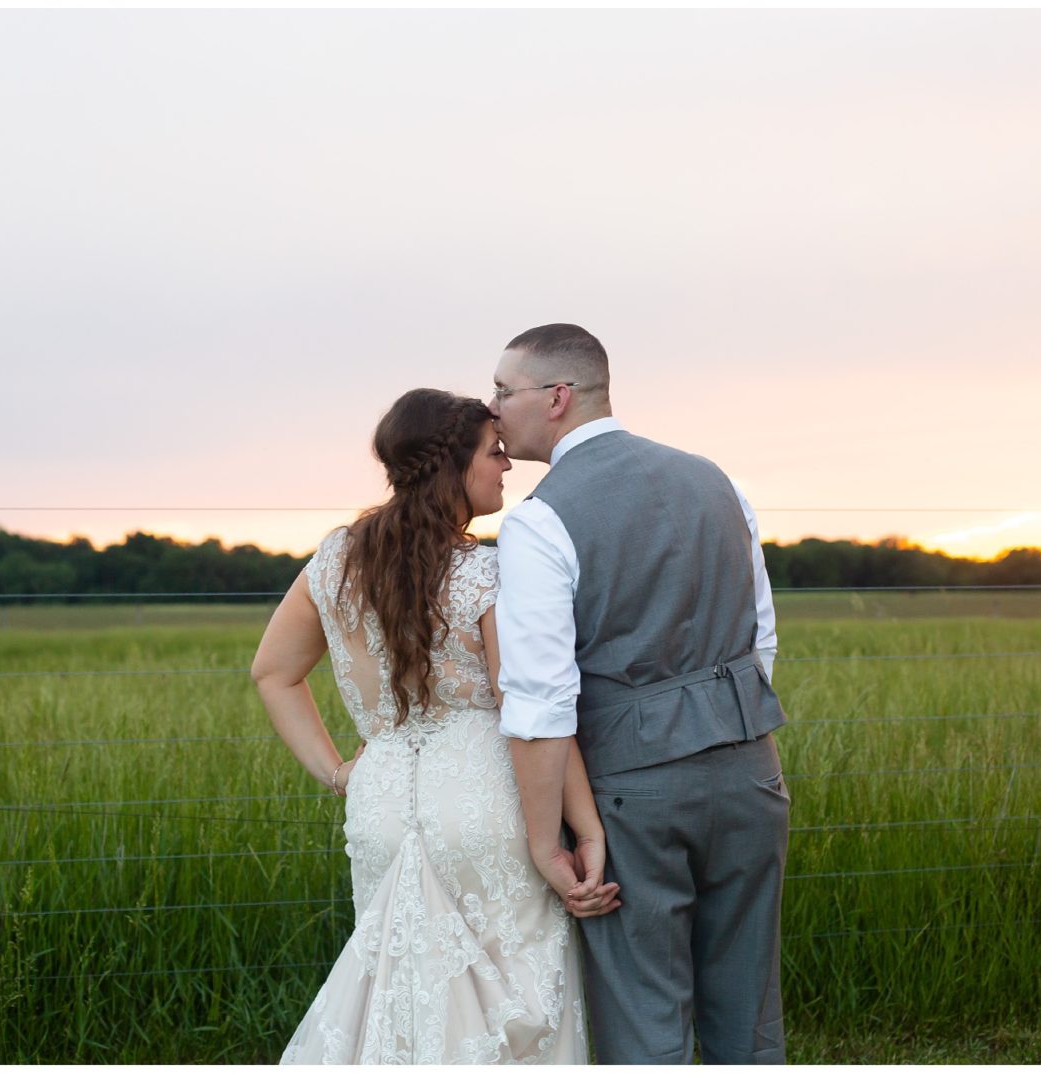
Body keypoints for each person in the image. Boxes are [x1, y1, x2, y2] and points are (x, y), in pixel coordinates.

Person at [250, 387, 619, 1065]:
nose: (506, 466)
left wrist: (337, 771)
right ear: (451, 464)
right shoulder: (485, 570)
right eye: (494, 452)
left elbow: (272, 672)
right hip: (486, 802)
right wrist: (588, 827)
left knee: (405, 996)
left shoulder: (335, 561)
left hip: (381, 799)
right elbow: (529, 709)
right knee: (516, 994)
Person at [491, 324, 789, 1064]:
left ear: (557, 397)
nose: (491, 408)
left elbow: (541, 700)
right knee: (748, 1006)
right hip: (751, 769)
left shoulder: (539, 519)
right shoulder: (719, 480)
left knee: (642, 1015)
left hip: (634, 792)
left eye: (503, 390)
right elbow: (761, 640)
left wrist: (543, 839)